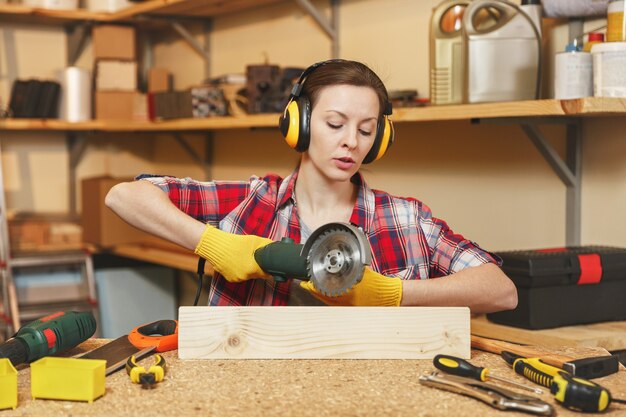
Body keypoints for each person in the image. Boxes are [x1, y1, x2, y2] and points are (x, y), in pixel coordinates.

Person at [105, 59, 517, 313]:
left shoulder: (406, 220)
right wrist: (217, 244)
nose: (351, 141)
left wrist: (393, 294)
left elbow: (501, 291)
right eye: (335, 124)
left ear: (381, 139)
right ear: (298, 125)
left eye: (366, 130)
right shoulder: (253, 202)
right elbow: (124, 196)